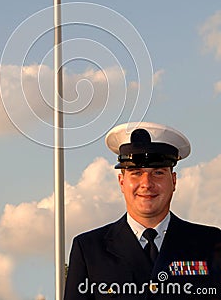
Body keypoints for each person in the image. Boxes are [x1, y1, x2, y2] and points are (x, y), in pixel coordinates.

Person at [63, 122, 221, 299]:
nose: (147, 183)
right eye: (136, 172)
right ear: (121, 182)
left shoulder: (210, 243)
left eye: (158, 173)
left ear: (174, 181)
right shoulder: (89, 250)